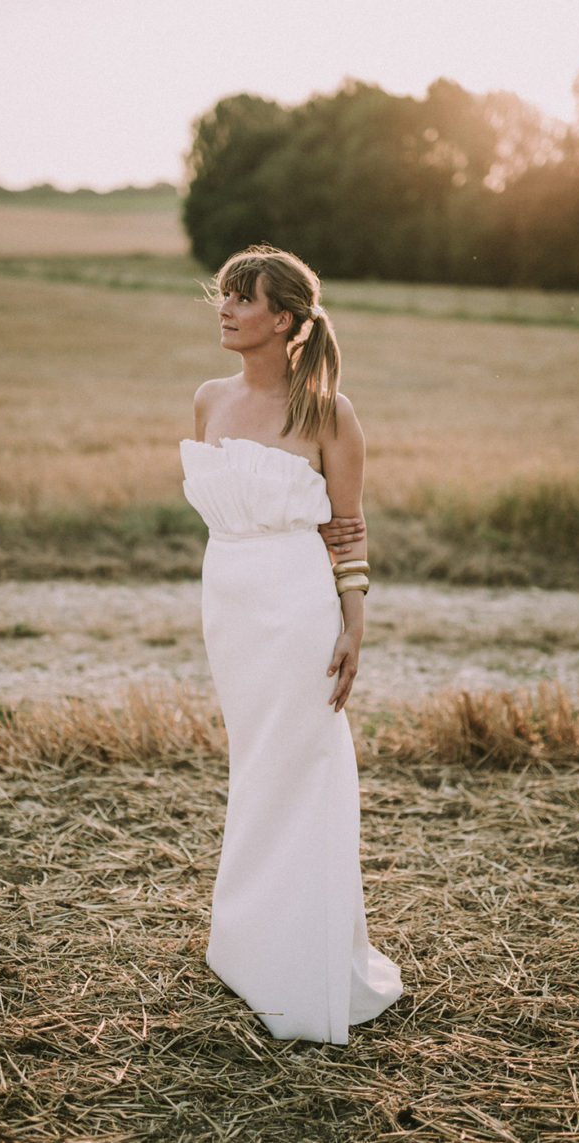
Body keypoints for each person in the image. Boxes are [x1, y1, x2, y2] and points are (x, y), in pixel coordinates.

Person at [180, 244, 402, 1044]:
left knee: (303, 768)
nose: (226, 306)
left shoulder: (330, 414)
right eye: (225, 293)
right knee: (255, 766)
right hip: (230, 606)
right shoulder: (206, 400)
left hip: (299, 606)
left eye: (244, 296)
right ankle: (248, 943)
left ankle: (303, 962)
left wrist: (355, 621)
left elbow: (347, 528)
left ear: (284, 318)